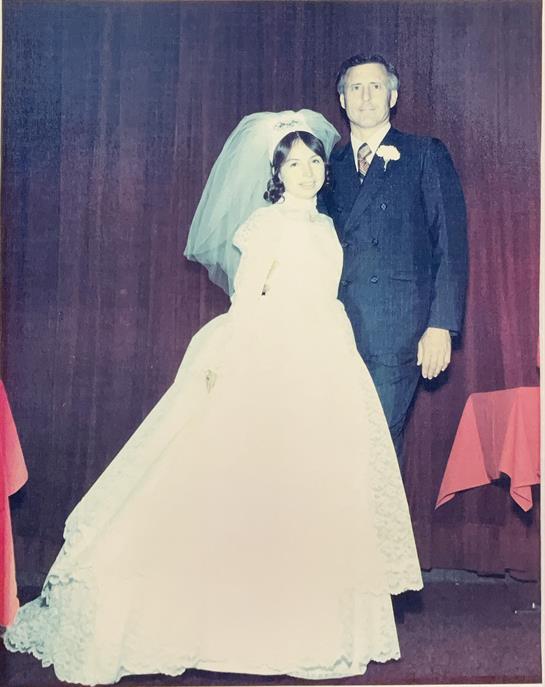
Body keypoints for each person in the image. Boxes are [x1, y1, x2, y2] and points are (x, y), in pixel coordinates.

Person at [4, 110, 422, 685]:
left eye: (313, 161)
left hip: (328, 358)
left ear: (327, 167)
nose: (306, 172)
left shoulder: (327, 225)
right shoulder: (265, 225)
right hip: (275, 358)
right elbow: (248, 301)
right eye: (293, 164)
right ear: (277, 173)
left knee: (317, 483)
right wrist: (225, 365)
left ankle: (307, 625)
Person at [320, 54, 468, 465]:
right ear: (342, 100)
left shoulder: (424, 154)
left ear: (393, 95)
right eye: (355, 88)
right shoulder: (325, 167)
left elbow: (451, 246)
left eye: (375, 86)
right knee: (339, 449)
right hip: (334, 331)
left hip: (397, 331)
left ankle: (379, 532)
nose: (365, 97)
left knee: (377, 445)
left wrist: (441, 325)